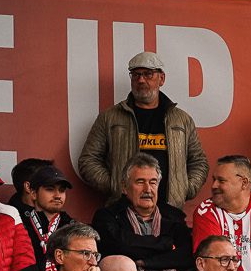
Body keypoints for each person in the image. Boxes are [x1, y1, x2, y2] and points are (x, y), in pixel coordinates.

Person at [77, 50, 207, 206]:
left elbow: (199, 162)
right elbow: (88, 160)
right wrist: (117, 186)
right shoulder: (109, 118)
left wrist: (184, 189)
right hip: (123, 211)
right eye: (136, 75)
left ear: (162, 78)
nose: (141, 80)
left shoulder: (182, 120)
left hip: (169, 211)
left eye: (148, 74)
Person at [94, 154, 192, 271]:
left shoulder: (174, 217)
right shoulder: (108, 216)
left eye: (153, 182)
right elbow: (121, 247)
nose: (148, 189)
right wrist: (165, 245)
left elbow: (186, 255)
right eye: (140, 182)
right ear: (124, 187)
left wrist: (146, 262)